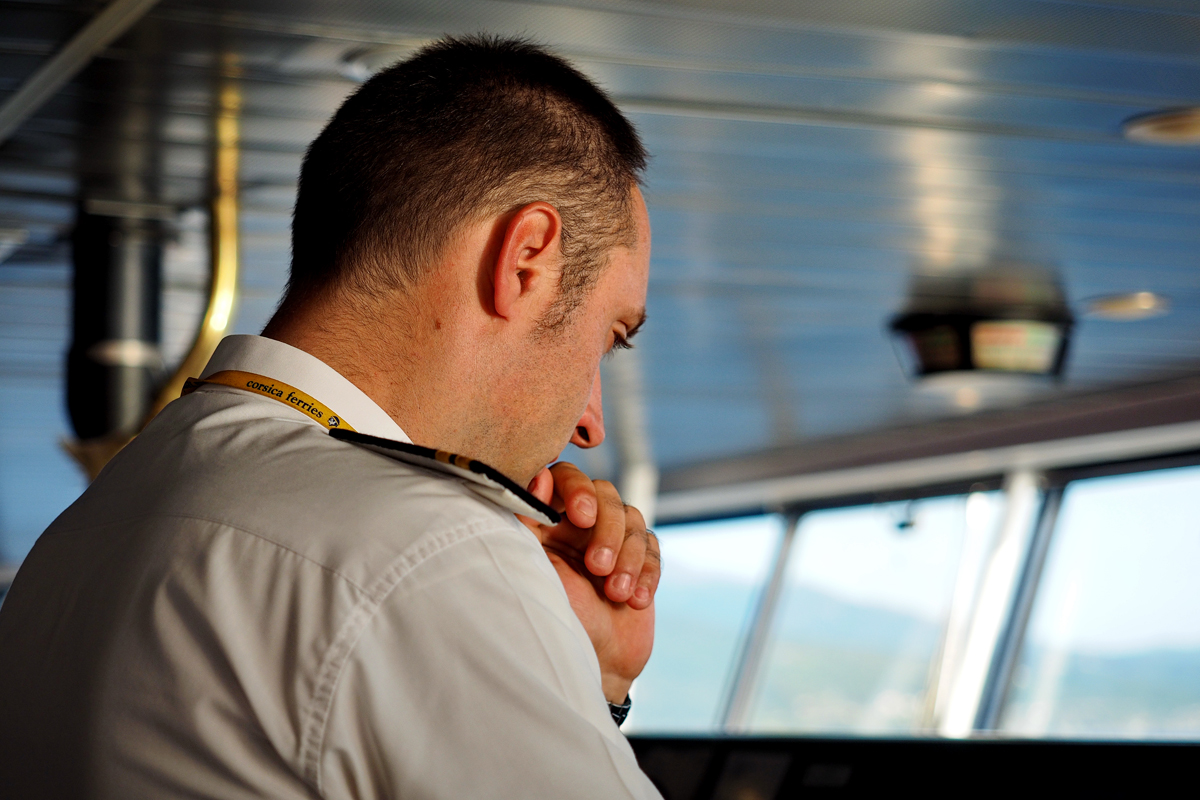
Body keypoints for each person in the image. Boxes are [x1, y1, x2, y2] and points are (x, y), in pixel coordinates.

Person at [0, 36, 664, 799]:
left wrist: (593, 673)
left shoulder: (89, 526)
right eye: (608, 337)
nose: (591, 424)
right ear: (527, 261)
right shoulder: (435, 550)